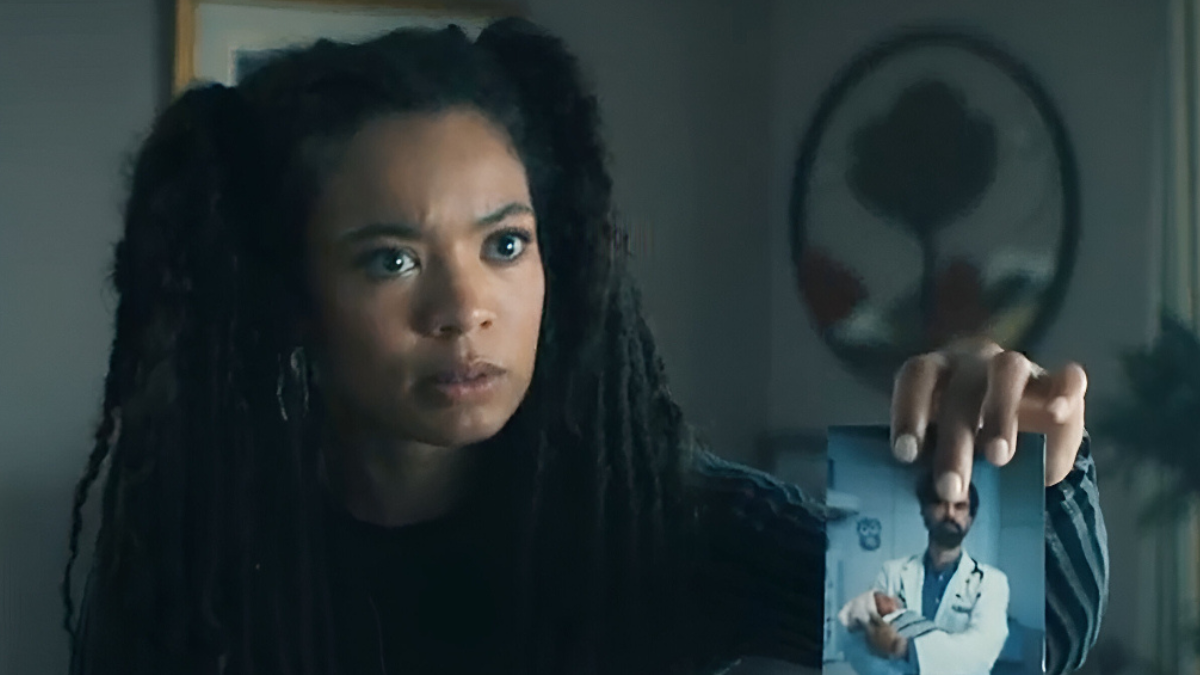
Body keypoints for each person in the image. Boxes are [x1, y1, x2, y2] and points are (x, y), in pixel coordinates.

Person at [60, 18, 1107, 675]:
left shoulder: (666, 523)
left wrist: (1024, 466)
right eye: (391, 259)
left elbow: (1005, 655)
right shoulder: (200, 557)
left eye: (504, 244)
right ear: (290, 292)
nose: (463, 308)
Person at [838, 476, 1010, 675]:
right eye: (939, 504)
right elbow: (859, 643)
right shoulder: (892, 572)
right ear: (924, 510)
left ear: (971, 517)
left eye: (960, 506)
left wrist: (901, 648)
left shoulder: (991, 582)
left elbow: (981, 653)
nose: (950, 513)